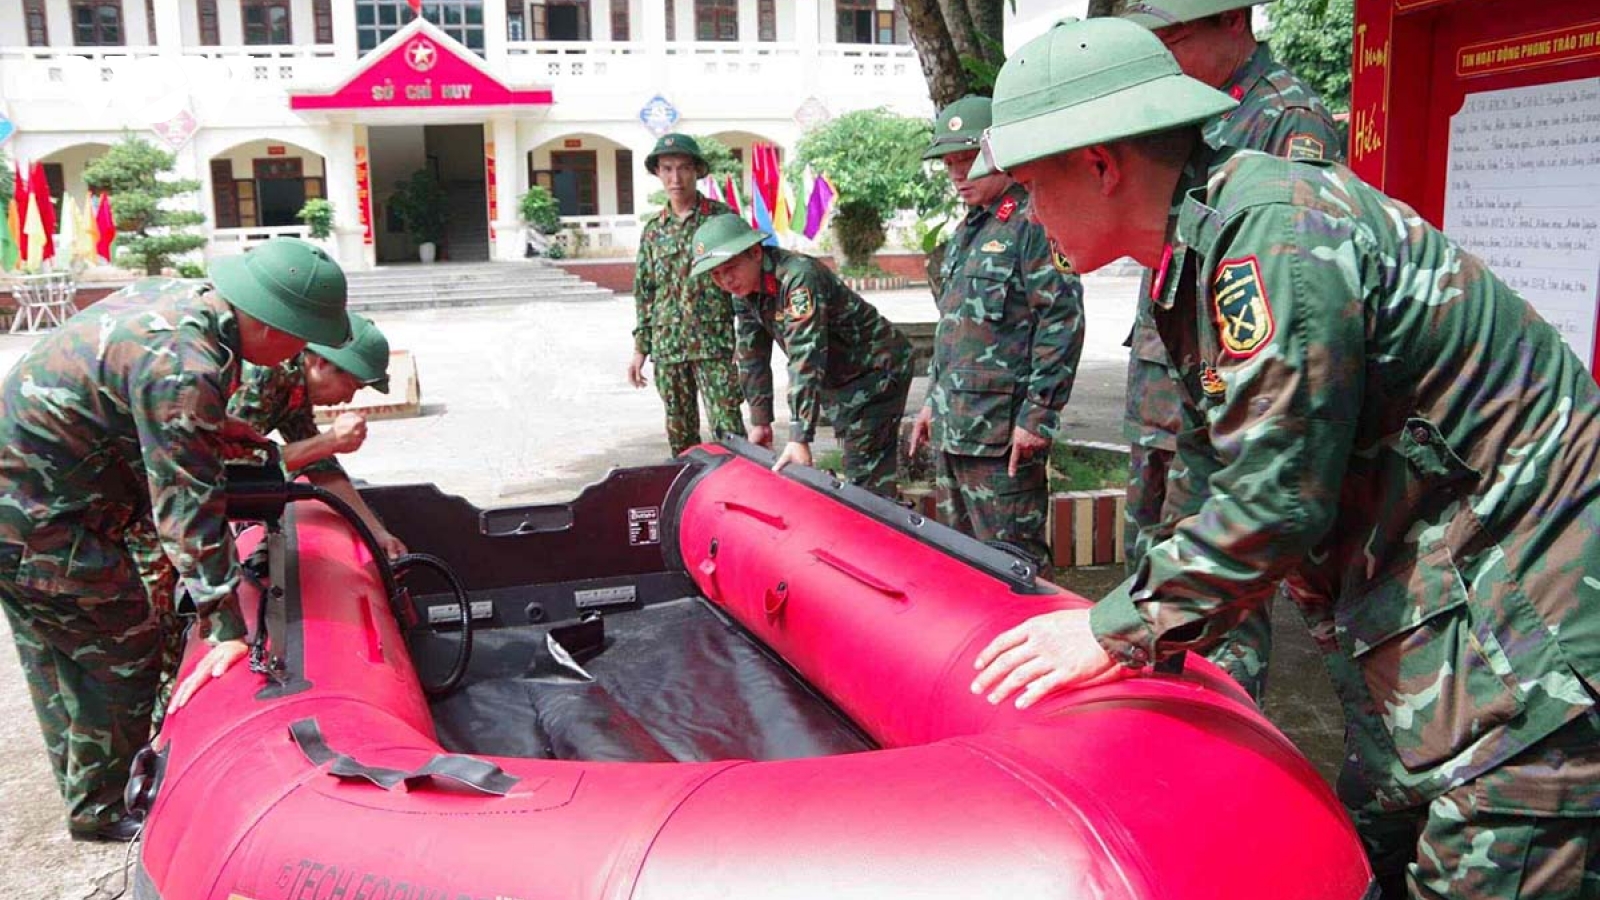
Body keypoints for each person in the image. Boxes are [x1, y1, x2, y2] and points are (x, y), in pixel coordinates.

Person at [968, 18, 1600, 898]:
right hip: (1442, 630)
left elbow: (1273, 502)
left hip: (1533, 647)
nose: (1031, 215)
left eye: (1034, 186)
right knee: (1362, 845)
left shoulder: (1271, 240)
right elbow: (1208, 485)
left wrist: (1109, 629)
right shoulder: (1197, 257)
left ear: (1101, 164)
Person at [0, 236, 350, 842]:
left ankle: (93, 802)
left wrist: (232, 431)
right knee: (126, 649)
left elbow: (155, 410)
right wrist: (224, 625)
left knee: (62, 656)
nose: (302, 349)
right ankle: (110, 810)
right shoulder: (184, 367)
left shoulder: (180, 302)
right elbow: (187, 509)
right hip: (45, 524)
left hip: (30, 509)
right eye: (302, 333)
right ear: (269, 322)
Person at [1116, 0, 1345, 702]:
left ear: (1234, 22)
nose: (1163, 55)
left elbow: (1294, 280)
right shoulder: (1187, 113)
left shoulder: (1286, 116)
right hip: (1174, 383)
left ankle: (1221, 718)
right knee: (1152, 552)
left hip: (1245, 385)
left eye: (1173, 38)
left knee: (1228, 597)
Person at [135, 313, 405, 731]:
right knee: (162, 640)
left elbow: (322, 465)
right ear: (320, 363)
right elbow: (228, 468)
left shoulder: (294, 387)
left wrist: (376, 531)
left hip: (186, 511)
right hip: (161, 515)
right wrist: (328, 439)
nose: (349, 399)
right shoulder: (266, 378)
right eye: (351, 384)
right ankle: (159, 737)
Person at [907, 95, 1085, 578]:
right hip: (955, 429)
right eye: (949, 163)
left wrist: (1039, 413)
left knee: (1014, 565)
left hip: (1003, 436)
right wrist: (930, 401)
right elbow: (954, 329)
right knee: (961, 562)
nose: (957, 175)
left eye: (968, 160)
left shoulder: (1035, 220)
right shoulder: (969, 231)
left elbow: (1062, 320)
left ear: (1000, 153)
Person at [690, 214, 914, 498]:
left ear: (756, 253)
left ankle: (887, 531)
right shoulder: (744, 292)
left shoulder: (798, 277)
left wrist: (799, 436)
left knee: (866, 483)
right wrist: (761, 421)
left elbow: (805, 356)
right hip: (843, 379)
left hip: (876, 372)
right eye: (716, 274)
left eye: (730, 268)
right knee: (859, 467)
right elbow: (751, 356)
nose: (726, 280)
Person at [628, 133, 744, 456]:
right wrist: (641, 348)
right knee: (681, 437)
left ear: (697, 171)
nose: (675, 178)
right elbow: (645, 292)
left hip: (715, 343)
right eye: (667, 169)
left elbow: (745, 282)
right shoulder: (653, 230)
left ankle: (738, 495)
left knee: (730, 432)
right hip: (669, 347)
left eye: (683, 168)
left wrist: (744, 340)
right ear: (658, 173)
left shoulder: (722, 220)